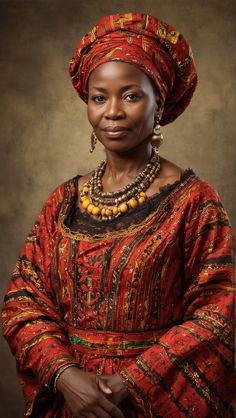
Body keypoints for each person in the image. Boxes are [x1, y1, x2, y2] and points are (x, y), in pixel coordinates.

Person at [2, 12, 235, 418]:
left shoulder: (194, 202)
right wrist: (68, 377)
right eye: (99, 97)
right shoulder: (63, 202)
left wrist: (129, 382)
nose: (112, 111)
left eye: (131, 95)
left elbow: (219, 312)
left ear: (159, 103)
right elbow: (24, 300)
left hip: (152, 401)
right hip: (69, 403)